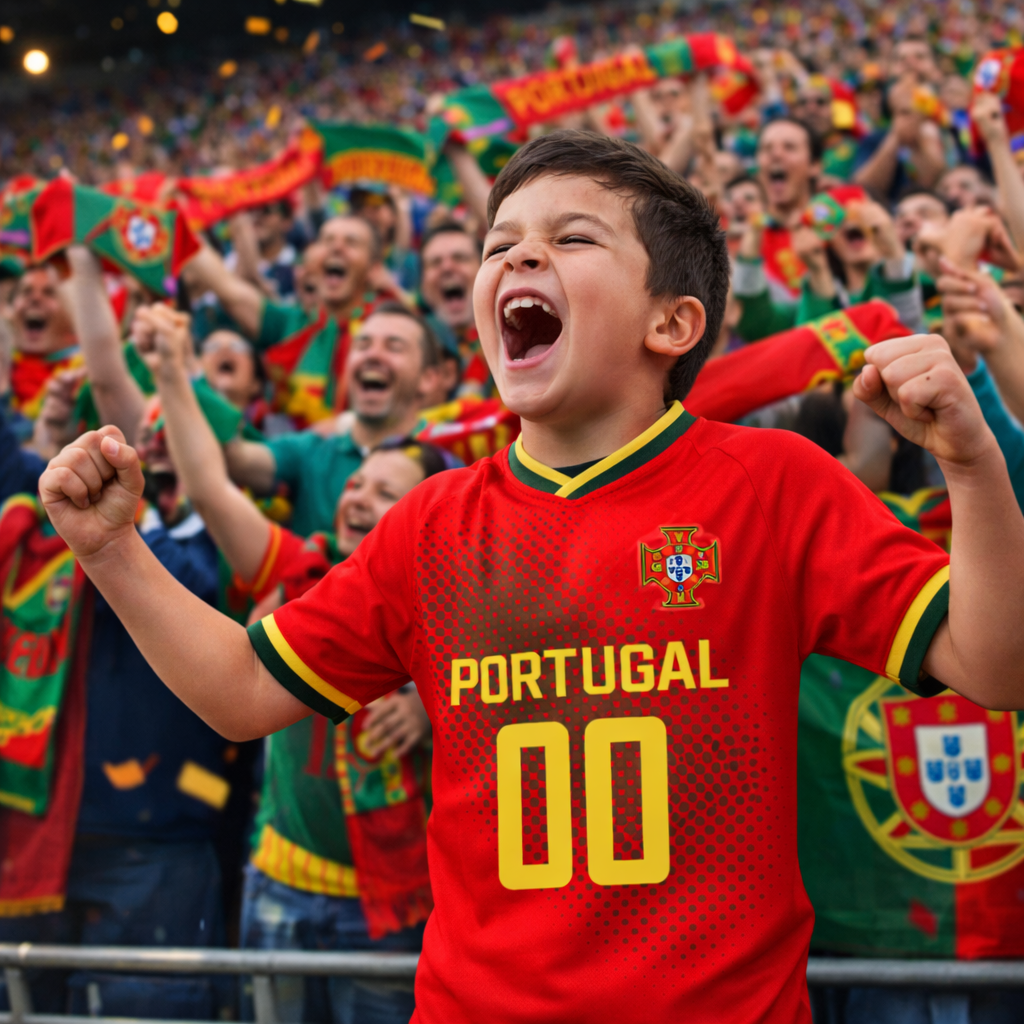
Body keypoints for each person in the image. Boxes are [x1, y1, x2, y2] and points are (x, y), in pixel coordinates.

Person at [35, 128, 1024, 1024]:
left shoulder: (772, 486)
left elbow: (998, 663)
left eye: (573, 237)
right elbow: (242, 691)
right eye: (501, 239)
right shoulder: (431, 521)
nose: (518, 254)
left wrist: (974, 466)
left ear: (673, 324)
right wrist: (113, 551)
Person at [136, 302, 440, 1022]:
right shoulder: (303, 574)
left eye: (386, 493)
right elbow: (210, 487)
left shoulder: (461, 606)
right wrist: (173, 372)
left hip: (395, 906)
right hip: (281, 885)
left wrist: (432, 702)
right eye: (356, 486)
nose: (359, 495)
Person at [223, 302, 443, 536]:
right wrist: (188, 375)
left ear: (428, 379)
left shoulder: (452, 463)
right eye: (362, 345)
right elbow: (236, 458)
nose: (373, 355)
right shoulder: (311, 450)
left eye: (394, 347)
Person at [182, 215, 387, 429]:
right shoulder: (291, 321)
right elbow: (226, 286)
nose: (336, 248)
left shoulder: (388, 330)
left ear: (374, 268)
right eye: (326, 241)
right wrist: (173, 215)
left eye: (351, 242)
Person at [419, 221, 486, 399]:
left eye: (460, 258)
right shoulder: (410, 350)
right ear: (422, 284)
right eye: (435, 262)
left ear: (485, 269)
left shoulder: (516, 337)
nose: (447, 268)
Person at [7, 264, 81, 421]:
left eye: (49, 292)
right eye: (26, 291)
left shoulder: (84, 377)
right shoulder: (5, 366)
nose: (35, 298)